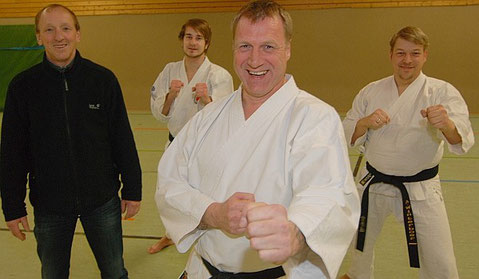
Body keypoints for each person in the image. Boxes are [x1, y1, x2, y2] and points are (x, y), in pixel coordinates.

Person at [155, 1, 360, 278]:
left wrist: (295, 232)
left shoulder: (314, 117)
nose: (254, 60)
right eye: (245, 46)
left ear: (287, 49)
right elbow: (170, 183)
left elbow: (328, 193)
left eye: (268, 46)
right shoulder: (208, 117)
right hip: (201, 271)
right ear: (233, 49)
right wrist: (214, 213)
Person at [0, 4, 142, 278]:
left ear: (77, 33)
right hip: (50, 207)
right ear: (38, 36)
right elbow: (11, 154)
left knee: (114, 271)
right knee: (53, 274)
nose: (59, 36)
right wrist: (13, 206)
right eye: (49, 30)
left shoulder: (102, 80)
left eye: (66, 28)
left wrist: (133, 188)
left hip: (102, 202)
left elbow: (122, 137)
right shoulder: (22, 87)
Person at [340, 26, 474, 279]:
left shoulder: (441, 92)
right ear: (391, 55)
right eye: (401, 53)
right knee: (357, 245)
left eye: (414, 53)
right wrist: (364, 122)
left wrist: (446, 124)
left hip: (420, 188)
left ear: (425, 55)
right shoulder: (371, 91)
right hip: (373, 183)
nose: (407, 60)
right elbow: (347, 131)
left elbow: (463, 140)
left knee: (440, 261)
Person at [148, 18, 234, 254]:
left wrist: (207, 100)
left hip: (205, 148)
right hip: (174, 143)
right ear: (181, 40)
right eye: (188, 36)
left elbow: (227, 117)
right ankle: (169, 235)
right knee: (166, 194)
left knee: (202, 197)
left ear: (207, 43)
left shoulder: (219, 75)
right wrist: (171, 96)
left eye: (198, 38)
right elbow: (158, 112)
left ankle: (201, 243)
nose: (193, 42)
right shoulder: (169, 71)